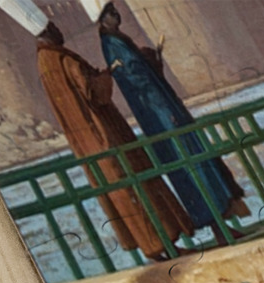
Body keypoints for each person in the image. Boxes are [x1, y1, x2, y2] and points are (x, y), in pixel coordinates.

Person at [33, 21, 194, 261]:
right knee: (138, 188)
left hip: (89, 145)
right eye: (54, 27)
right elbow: (96, 94)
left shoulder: (45, 63)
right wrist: (107, 74)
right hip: (106, 136)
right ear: (47, 32)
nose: (60, 30)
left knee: (123, 195)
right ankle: (164, 247)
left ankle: (155, 250)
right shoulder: (63, 60)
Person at [95, 2, 249, 234]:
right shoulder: (112, 44)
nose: (116, 15)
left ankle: (221, 225)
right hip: (161, 115)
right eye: (110, 12)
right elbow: (139, 82)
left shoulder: (117, 41)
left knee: (194, 164)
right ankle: (219, 228)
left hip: (163, 112)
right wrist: (165, 108)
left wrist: (150, 62)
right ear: (102, 19)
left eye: (114, 10)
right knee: (191, 166)